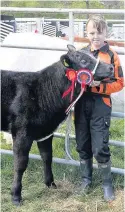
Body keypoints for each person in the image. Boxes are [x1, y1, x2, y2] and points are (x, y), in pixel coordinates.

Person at [74, 14, 124, 201]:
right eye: (91, 32)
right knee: (82, 144)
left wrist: (98, 86)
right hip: (81, 104)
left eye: (99, 32)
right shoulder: (81, 53)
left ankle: (107, 184)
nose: (95, 36)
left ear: (106, 33)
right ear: (87, 33)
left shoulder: (111, 55)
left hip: (100, 106)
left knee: (100, 147)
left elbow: (119, 83)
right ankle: (86, 180)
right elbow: (71, 76)